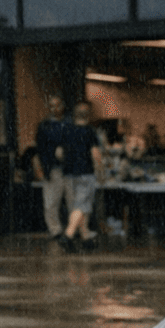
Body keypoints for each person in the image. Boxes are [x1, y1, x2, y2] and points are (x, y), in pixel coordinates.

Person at [56, 101, 104, 251]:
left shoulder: (66, 130)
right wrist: (100, 172)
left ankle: (86, 238)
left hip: (69, 174)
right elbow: (95, 154)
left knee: (81, 207)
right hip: (85, 173)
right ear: (88, 116)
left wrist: (69, 160)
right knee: (82, 205)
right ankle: (68, 235)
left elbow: (58, 153)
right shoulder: (90, 132)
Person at [32, 94, 72, 236]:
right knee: (51, 202)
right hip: (51, 168)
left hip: (69, 168)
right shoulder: (44, 126)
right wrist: (40, 168)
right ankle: (55, 230)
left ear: (63, 106)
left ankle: (72, 229)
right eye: (52, 106)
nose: (55, 109)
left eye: (57, 105)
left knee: (72, 201)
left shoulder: (70, 124)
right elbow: (40, 149)